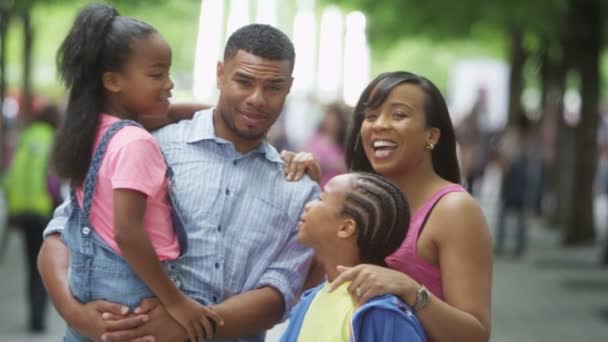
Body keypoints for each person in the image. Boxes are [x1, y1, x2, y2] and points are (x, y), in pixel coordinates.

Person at [38, 22, 320, 342]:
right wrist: (74, 313)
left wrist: (192, 325)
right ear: (220, 74)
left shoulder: (298, 188)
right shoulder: (148, 145)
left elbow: (280, 293)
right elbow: (62, 233)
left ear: (289, 87)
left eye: (273, 87)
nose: (257, 98)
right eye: (244, 81)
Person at [48, 4, 222, 341]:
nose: (170, 84)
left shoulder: (92, 128)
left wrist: (222, 115)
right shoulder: (135, 142)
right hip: (134, 287)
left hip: (93, 285)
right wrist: (176, 302)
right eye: (157, 75)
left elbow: (170, 113)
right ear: (112, 81)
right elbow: (127, 232)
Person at [326, 71, 493, 342]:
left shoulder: (454, 210)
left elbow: (475, 335)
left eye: (398, 115)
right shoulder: (360, 200)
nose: (379, 125)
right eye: (370, 116)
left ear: (432, 136)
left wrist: (410, 290)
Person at [280, 172, 425, 342]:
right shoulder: (309, 300)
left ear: (346, 228)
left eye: (320, 199)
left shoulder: (381, 314)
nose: (308, 205)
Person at [4, 104, 60, 332]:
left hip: (23, 209)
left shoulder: (25, 138)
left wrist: (13, 207)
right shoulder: (54, 139)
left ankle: (32, 316)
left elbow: (11, 173)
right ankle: (39, 319)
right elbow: (56, 180)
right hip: (45, 211)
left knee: (31, 265)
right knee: (45, 265)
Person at [302, 102, 349, 187]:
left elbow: (347, 167)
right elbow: (306, 159)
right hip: (316, 186)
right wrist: (330, 164)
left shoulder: (343, 143)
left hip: (337, 188)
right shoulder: (315, 139)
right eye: (329, 120)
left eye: (335, 122)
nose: (331, 124)